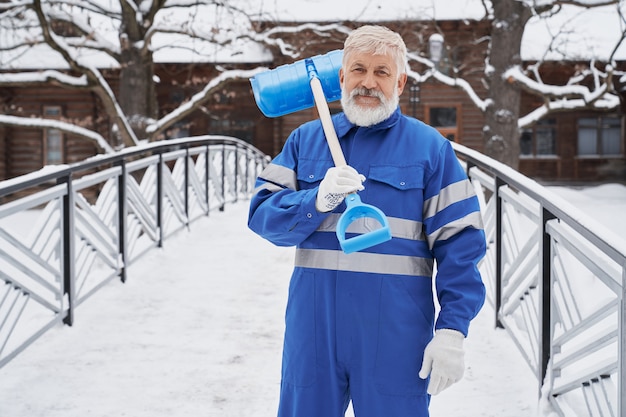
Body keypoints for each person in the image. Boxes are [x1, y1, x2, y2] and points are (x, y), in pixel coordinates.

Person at [248, 24, 486, 417]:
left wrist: (452, 329)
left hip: (396, 335)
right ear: (340, 78)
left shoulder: (430, 149)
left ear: (400, 81)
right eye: (358, 70)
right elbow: (261, 216)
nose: (368, 82)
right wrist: (316, 200)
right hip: (314, 330)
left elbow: (462, 244)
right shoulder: (305, 142)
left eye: (382, 72)